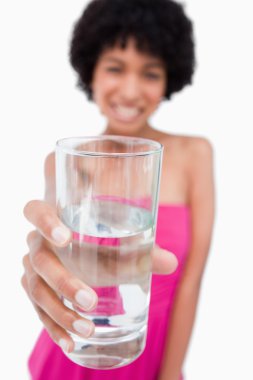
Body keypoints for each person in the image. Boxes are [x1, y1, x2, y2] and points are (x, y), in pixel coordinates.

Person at [22, 0, 215, 379]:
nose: (130, 90)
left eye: (150, 73)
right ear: (90, 70)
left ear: (169, 79)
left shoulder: (195, 154)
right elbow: (55, 250)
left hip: (149, 348)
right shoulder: (65, 161)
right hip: (74, 348)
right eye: (115, 68)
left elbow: (191, 280)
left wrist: (172, 371)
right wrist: (44, 254)